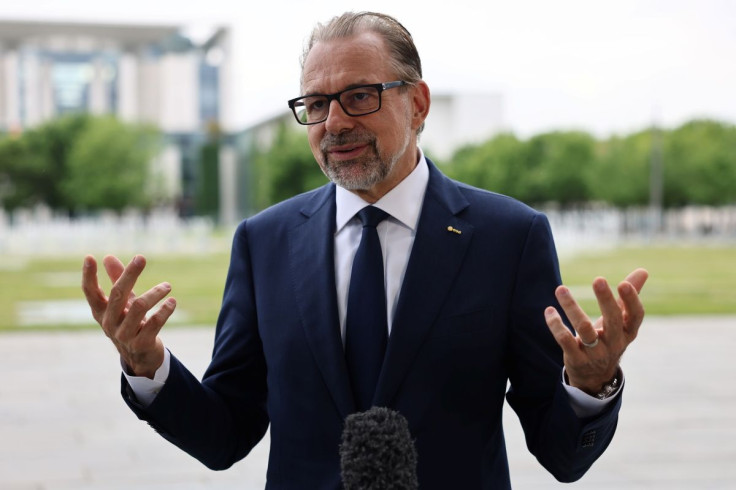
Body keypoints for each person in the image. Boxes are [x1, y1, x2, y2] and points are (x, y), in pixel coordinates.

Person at [82, 11, 648, 489]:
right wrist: (147, 366)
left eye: (358, 96)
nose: (335, 123)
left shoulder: (509, 236)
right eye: (317, 103)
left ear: (418, 104)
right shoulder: (264, 242)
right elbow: (225, 435)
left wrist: (590, 386)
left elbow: (562, 456)